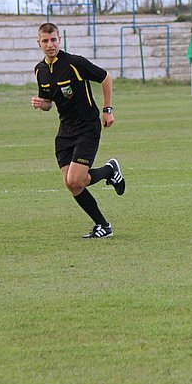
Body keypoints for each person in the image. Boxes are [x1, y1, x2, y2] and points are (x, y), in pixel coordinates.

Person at [31, 22, 126, 239]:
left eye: (53, 39)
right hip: (65, 130)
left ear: (60, 40)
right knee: (72, 184)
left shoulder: (74, 63)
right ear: (39, 44)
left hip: (87, 127)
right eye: (45, 41)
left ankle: (110, 171)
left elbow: (105, 77)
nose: (50, 44)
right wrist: (40, 104)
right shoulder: (40, 71)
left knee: (76, 179)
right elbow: (48, 104)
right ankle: (103, 226)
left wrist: (107, 110)